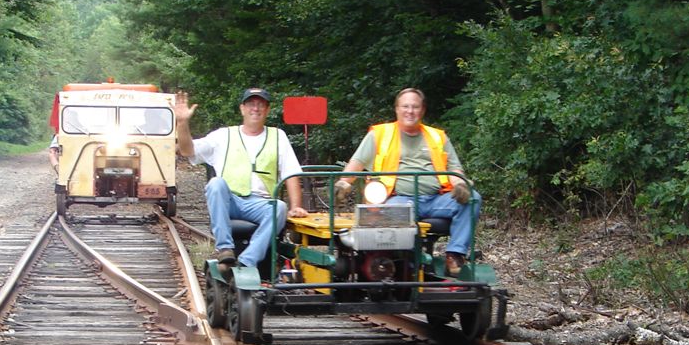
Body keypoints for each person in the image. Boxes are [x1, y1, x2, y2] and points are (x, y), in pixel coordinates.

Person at [335, 87, 480, 276]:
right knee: (395, 213)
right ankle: (405, 264)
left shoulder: (437, 136)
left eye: (415, 107)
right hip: (398, 199)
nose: (410, 111)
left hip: (436, 199)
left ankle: (455, 254)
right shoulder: (380, 134)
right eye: (405, 106)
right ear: (397, 109)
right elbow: (357, 162)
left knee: (473, 199)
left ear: (423, 110)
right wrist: (344, 183)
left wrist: (460, 184)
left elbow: (453, 168)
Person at [175, 87, 308, 267]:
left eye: (261, 105)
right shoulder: (223, 135)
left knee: (280, 208)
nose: (256, 108)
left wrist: (296, 207)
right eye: (251, 104)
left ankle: (248, 261)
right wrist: (182, 123)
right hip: (230, 200)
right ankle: (225, 249)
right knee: (216, 183)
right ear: (242, 109)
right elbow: (187, 150)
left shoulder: (278, 137)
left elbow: (291, 174)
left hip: (260, 202)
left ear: (267, 110)